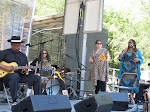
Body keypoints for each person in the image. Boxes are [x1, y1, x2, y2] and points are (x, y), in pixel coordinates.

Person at [0, 36, 41, 106]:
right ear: (11, 44)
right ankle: (14, 100)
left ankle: (38, 100)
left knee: (36, 78)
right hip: (6, 77)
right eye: (15, 46)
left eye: (19, 45)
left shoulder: (23, 56)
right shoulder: (4, 53)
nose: (17, 47)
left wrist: (24, 70)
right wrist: (5, 67)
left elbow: (23, 71)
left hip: (20, 77)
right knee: (14, 76)